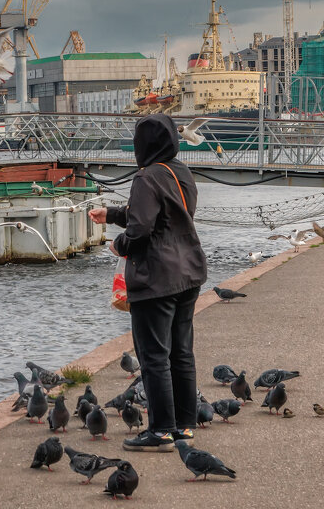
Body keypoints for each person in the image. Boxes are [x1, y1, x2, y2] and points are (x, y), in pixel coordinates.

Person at [89, 114, 207, 453]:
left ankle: (161, 431)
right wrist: (111, 214)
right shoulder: (180, 172)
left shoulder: (145, 177)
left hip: (157, 278)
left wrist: (119, 245)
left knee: (153, 356)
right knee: (181, 353)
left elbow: (140, 229)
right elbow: (163, 214)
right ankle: (184, 426)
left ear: (144, 144)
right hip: (189, 272)